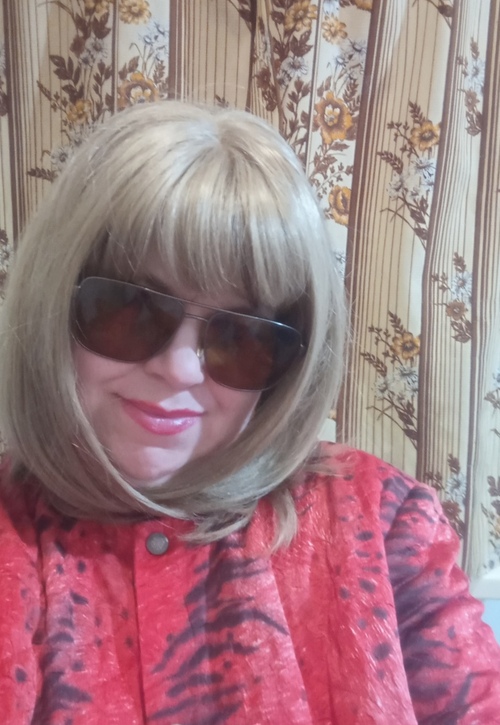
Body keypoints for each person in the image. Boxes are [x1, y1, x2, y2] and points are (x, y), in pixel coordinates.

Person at [0, 101, 498, 725]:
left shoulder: (385, 525)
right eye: (131, 310)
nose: (180, 369)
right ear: (55, 304)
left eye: (241, 336)